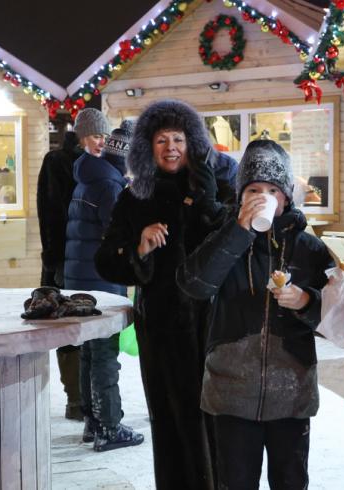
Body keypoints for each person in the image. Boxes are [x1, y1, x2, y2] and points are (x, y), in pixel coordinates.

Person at [95, 99, 236, 489]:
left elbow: (236, 243)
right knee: (171, 419)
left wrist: (208, 204)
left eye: (178, 139)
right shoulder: (135, 197)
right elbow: (105, 260)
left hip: (216, 324)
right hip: (162, 327)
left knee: (218, 419)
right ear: (148, 147)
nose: (171, 147)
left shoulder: (219, 185)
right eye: (161, 140)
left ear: (192, 144)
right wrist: (138, 248)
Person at [176, 139, 333, 490]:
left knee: (290, 481)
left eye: (273, 190)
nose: (263, 197)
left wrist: (305, 302)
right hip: (230, 393)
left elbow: (336, 320)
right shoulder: (223, 237)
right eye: (253, 190)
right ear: (240, 196)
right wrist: (238, 232)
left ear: (286, 197)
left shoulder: (309, 248)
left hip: (291, 393)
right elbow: (193, 285)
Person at [64, 108, 144, 452]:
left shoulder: (87, 177)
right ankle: (109, 426)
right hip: (101, 280)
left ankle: (92, 422)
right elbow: (119, 235)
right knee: (104, 354)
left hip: (80, 277)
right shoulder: (110, 186)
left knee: (89, 351)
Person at [36, 130, 83, 420]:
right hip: (63, 260)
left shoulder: (99, 163)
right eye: (95, 135)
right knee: (67, 327)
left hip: (85, 262)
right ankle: (75, 399)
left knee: (84, 326)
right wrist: (54, 260)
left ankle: (84, 399)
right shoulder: (57, 162)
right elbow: (50, 214)